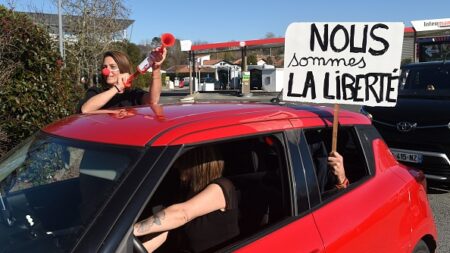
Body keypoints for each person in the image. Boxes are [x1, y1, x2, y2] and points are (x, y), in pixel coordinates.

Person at [133, 146, 239, 253]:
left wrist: (131, 230)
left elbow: (182, 214)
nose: (175, 165)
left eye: (180, 160)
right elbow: (163, 228)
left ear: (195, 164)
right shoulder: (185, 192)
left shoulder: (221, 188)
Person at [76, 48, 167, 113]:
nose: (106, 71)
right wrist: (117, 87)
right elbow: (86, 109)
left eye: (113, 67)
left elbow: (153, 101)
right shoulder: (95, 91)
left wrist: (156, 69)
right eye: (104, 67)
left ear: (123, 69)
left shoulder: (132, 94)